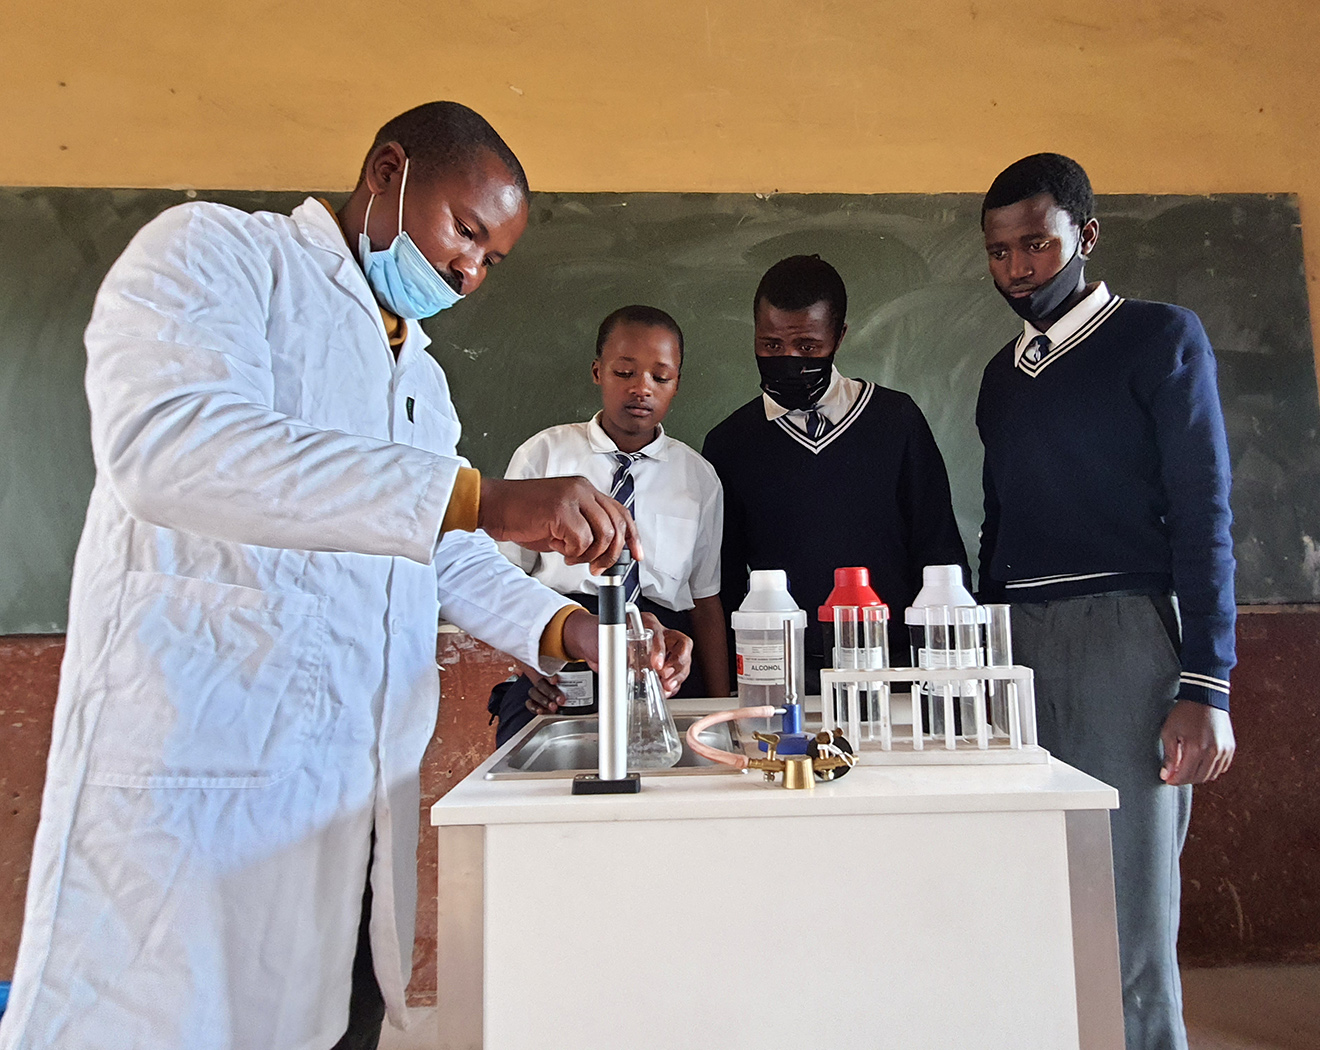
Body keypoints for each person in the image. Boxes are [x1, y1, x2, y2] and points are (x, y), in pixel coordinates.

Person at [0, 102, 690, 1050]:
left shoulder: (422, 376)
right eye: (465, 230)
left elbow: (437, 547)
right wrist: (481, 497)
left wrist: (581, 634)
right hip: (200, 790)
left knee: (338, 1023)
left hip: (350, 810)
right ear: (388, 171)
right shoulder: (220, 257)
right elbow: (170, 448)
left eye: (493, 259)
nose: (469, 270)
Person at [975, 152, 1237, 1050]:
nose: (1017, 269)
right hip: (1015, 644)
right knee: (1034, 888)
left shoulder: (1160, 336)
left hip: (1128, 636)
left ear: (1085, 236)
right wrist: (981, 652)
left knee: (1129, 909)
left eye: (1037, 246)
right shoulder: (1000, 377)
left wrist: (1207, 686)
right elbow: (996, 525)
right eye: (1000, 252)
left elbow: (1205, 512)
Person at [702, 254, 968, 688]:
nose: (787, 358)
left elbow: (938, 549)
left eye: (807, 347)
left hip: (898, 663)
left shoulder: (894, 420)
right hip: (780, 670)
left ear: (839, 337)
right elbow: (725, 579)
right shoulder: (730, 443)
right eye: (770, 345)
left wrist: (951, 668)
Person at [492, 305, 728, 743]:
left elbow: (705, 600)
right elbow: (502, 576)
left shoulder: (698, 477)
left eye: (661, 377)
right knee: (541, 784)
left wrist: (721, 707)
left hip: (663, 654)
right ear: (598, 372)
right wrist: (527, 659)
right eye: (625, 372)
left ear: (677, 384)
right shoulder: (544, 456)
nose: (642, 388)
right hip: (561, 652)